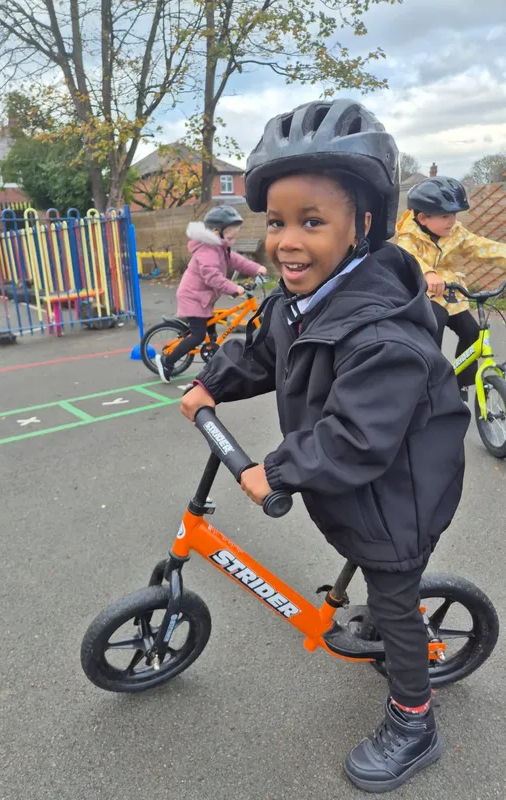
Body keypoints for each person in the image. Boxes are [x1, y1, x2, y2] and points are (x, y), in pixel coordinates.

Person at [181, 99, 470, 793]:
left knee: (394, 597)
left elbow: (358, 435)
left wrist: (272, 470)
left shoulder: (384, 334)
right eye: (277, 222)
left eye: (312, 222)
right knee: (357, 543)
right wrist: (210, 387)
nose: (286, 240)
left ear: (362, 225)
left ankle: (413, 719)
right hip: (356, 482)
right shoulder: (294, 298)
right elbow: (265, 354)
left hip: (402, 489)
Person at [397, 177, 506, 401]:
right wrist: (428, 274)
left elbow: (482, 247)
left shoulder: (456, 233)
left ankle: (461, 386)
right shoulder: (409, 236)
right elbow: (410, 258)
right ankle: (428, 389)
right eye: (446, 216)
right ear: (423, 218)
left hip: (450, 295)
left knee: (472, 333)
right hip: (422, 297)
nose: (452, 221)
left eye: (454, 215)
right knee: (431, 340)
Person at [155, 205, 266, 382]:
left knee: (212, 334)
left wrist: (256, 268)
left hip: (203, 297)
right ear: (216, 232)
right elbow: (212, 277)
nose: (233, 239)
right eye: (231, 235)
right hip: (193, 297)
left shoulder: (220, 247)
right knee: (198, 335)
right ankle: (167, 361)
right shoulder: (207, 251)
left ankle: (212, 362)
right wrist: (234, 288)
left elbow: (236, 261)